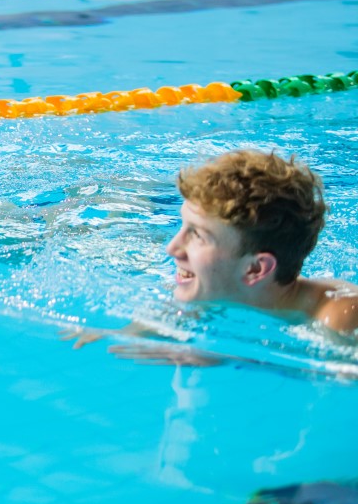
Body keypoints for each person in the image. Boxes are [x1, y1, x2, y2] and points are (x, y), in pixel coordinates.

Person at [65, 149, 358, 353]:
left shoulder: (342, 316)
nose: (172, 248)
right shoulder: (213, 285)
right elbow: (175, 314)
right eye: (182, 227)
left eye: (198, 235)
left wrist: (228, 356)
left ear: (255, 269)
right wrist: (120, 335)